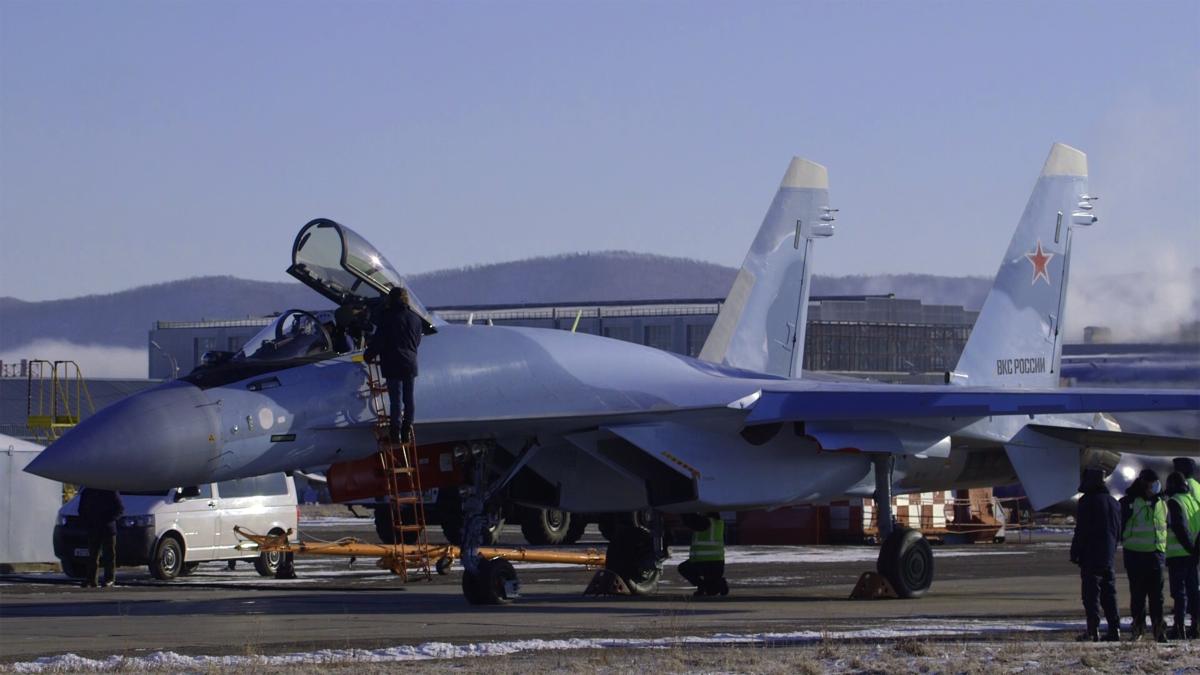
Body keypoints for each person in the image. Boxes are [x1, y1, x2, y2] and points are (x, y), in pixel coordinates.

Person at [364, 287, 424, 443]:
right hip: (410, 363)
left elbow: (379, 341)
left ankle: (395, 433)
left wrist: (368, 356)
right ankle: (406, 430)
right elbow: (417, 341)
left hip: (393, 363)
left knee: (396, 400)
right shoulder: (415, 318)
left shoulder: (387, 318)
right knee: (409, 399)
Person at [1070, 467, 1122, 641]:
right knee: (1109, 593)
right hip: (1108, 554)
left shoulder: (1087, 502)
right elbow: (1118, 530)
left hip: (1091, 555)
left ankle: (1093, 630)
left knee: (1091, 595)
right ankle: (1115, 629)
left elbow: (1081, 530)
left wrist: (1075, 552)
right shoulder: (1114, 502)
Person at [1120, 470, 1168, 642]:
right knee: (1138, 596)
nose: (1156, 486)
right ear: (1144, 484)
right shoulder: (1129, 502)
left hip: (1156, 555)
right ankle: (1138, 628)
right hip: (1135, 555)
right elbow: (1120, 526)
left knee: (1157, 597)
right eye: (1152, 483)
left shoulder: (1161, 503)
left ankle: (1158, 629)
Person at [1164, 471, 1200, 639]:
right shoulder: (1193, 501)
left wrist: (1189, 548)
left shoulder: (1174, 502)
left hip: (1179, 553)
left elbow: (1179, 527)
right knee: (1193, 592)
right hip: (1193, 555)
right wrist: (1196, 550)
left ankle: (1179, 628)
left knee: (1179, 593)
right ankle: (1195, 626)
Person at [77, 487, 124, 588]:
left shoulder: (110, 491)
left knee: (109, 555)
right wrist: (87, 521)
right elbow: (81, 510)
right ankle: (91, 579)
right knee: (92, 555)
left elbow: (119, 509)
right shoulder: (88, 492)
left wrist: (109, 519)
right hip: (94, 527)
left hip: (107, 527)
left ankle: (109, 579)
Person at [678, 513, 728, 597]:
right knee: (711, 591)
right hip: (717, 564)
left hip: (704, 563)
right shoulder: (717, 523)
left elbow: (692, 521)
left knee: (683, 568)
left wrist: (683, 512)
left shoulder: (705, 522)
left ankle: (708, 585)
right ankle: (716, 583)